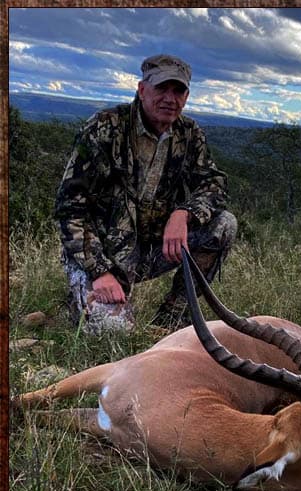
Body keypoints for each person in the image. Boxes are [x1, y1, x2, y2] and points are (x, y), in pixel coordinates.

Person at [55, 54, 237, 334]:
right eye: (161, 88)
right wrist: (99, 271)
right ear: (142, 90)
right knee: (113, 331)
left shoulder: (189, 134)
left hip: (152, 248)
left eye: (178, 91)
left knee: (223, 224)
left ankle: (172, 318)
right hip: (102, 252)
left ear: (186, 97)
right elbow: (69, 208)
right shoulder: (105, 127)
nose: (170, 98)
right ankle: (83, 295)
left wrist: (184, 214)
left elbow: (214, 183)